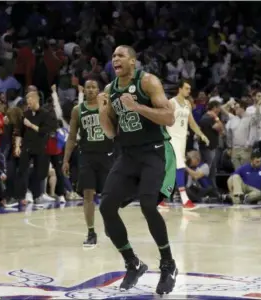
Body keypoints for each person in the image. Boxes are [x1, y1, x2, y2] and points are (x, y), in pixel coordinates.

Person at [98, 45, 177, 295]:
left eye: (120, 56)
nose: (115, 59)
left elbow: (169, 118)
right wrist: (102, 109)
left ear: (133, 61)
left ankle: (168, 264)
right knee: (106, 207)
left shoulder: (148, 82)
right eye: (113, 57)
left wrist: (138, 107)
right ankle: (133, 263)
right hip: (128, 155)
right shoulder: (110, 90)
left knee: (147, 205)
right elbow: (111, 132)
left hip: (154, 151)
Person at [63, 79, 114, 248]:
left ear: (99, 90)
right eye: (88, 87)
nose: (91, 90)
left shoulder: (107, 106)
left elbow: (116, 130)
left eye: (94, 87)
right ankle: (91, 232)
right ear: (83, 91)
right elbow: (71, 136)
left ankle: (109, 225)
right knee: (88, 194)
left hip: (106, 155)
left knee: (108, 196)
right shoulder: (78, 110)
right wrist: (66, 160)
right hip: (86, 156)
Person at [166, 80, 209, 210]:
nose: (189, 91)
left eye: (190, 88)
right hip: (171, 137)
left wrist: (202, 134)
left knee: (170, 168)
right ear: (179, 89)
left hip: (183, 139)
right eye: (187, 88)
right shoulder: (171, 103)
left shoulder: (187, 104)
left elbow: (192, 123)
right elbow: (163, 120)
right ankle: (185, 199)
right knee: (179, 165)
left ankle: (160, 198)